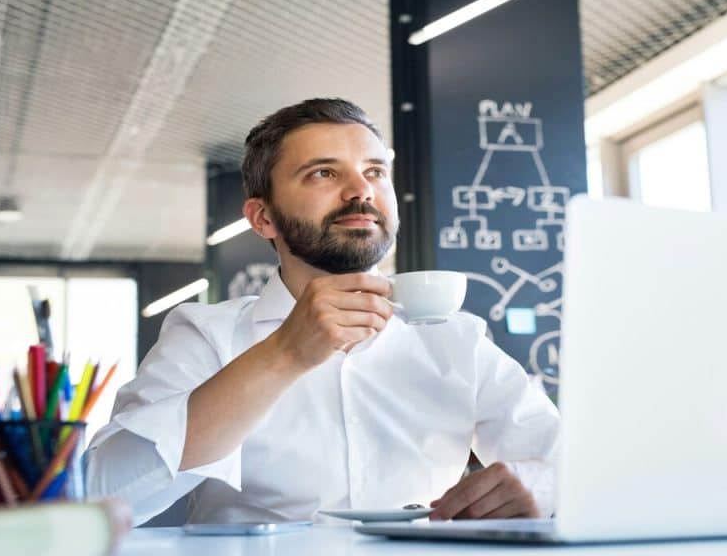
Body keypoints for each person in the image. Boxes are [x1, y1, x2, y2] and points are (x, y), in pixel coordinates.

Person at [85, 98, 560, 526]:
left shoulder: (457, 338)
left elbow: (570, 464)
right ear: (262, 218)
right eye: (324, 173)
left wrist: (545, 484)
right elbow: (101, 494)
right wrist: (284, 354)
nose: (361, 191)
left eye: (375, 171)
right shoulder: (206, 334)